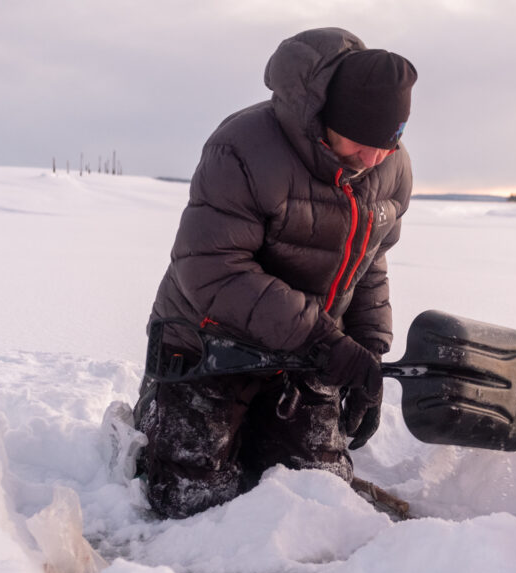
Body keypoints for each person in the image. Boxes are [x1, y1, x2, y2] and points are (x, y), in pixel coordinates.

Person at [134, 28, 417, 519]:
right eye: (362, 143)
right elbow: (213, 271)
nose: (372, 160)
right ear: (326, 117)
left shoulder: (389, 167)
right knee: (189, 501)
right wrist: (327, 343)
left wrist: (367, 350)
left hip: (306, 349)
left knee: (316, 495)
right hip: (210, 342)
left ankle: (264, 422)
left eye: (389, 144)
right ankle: (155, 416)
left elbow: (370, 260)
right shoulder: (243, 148)